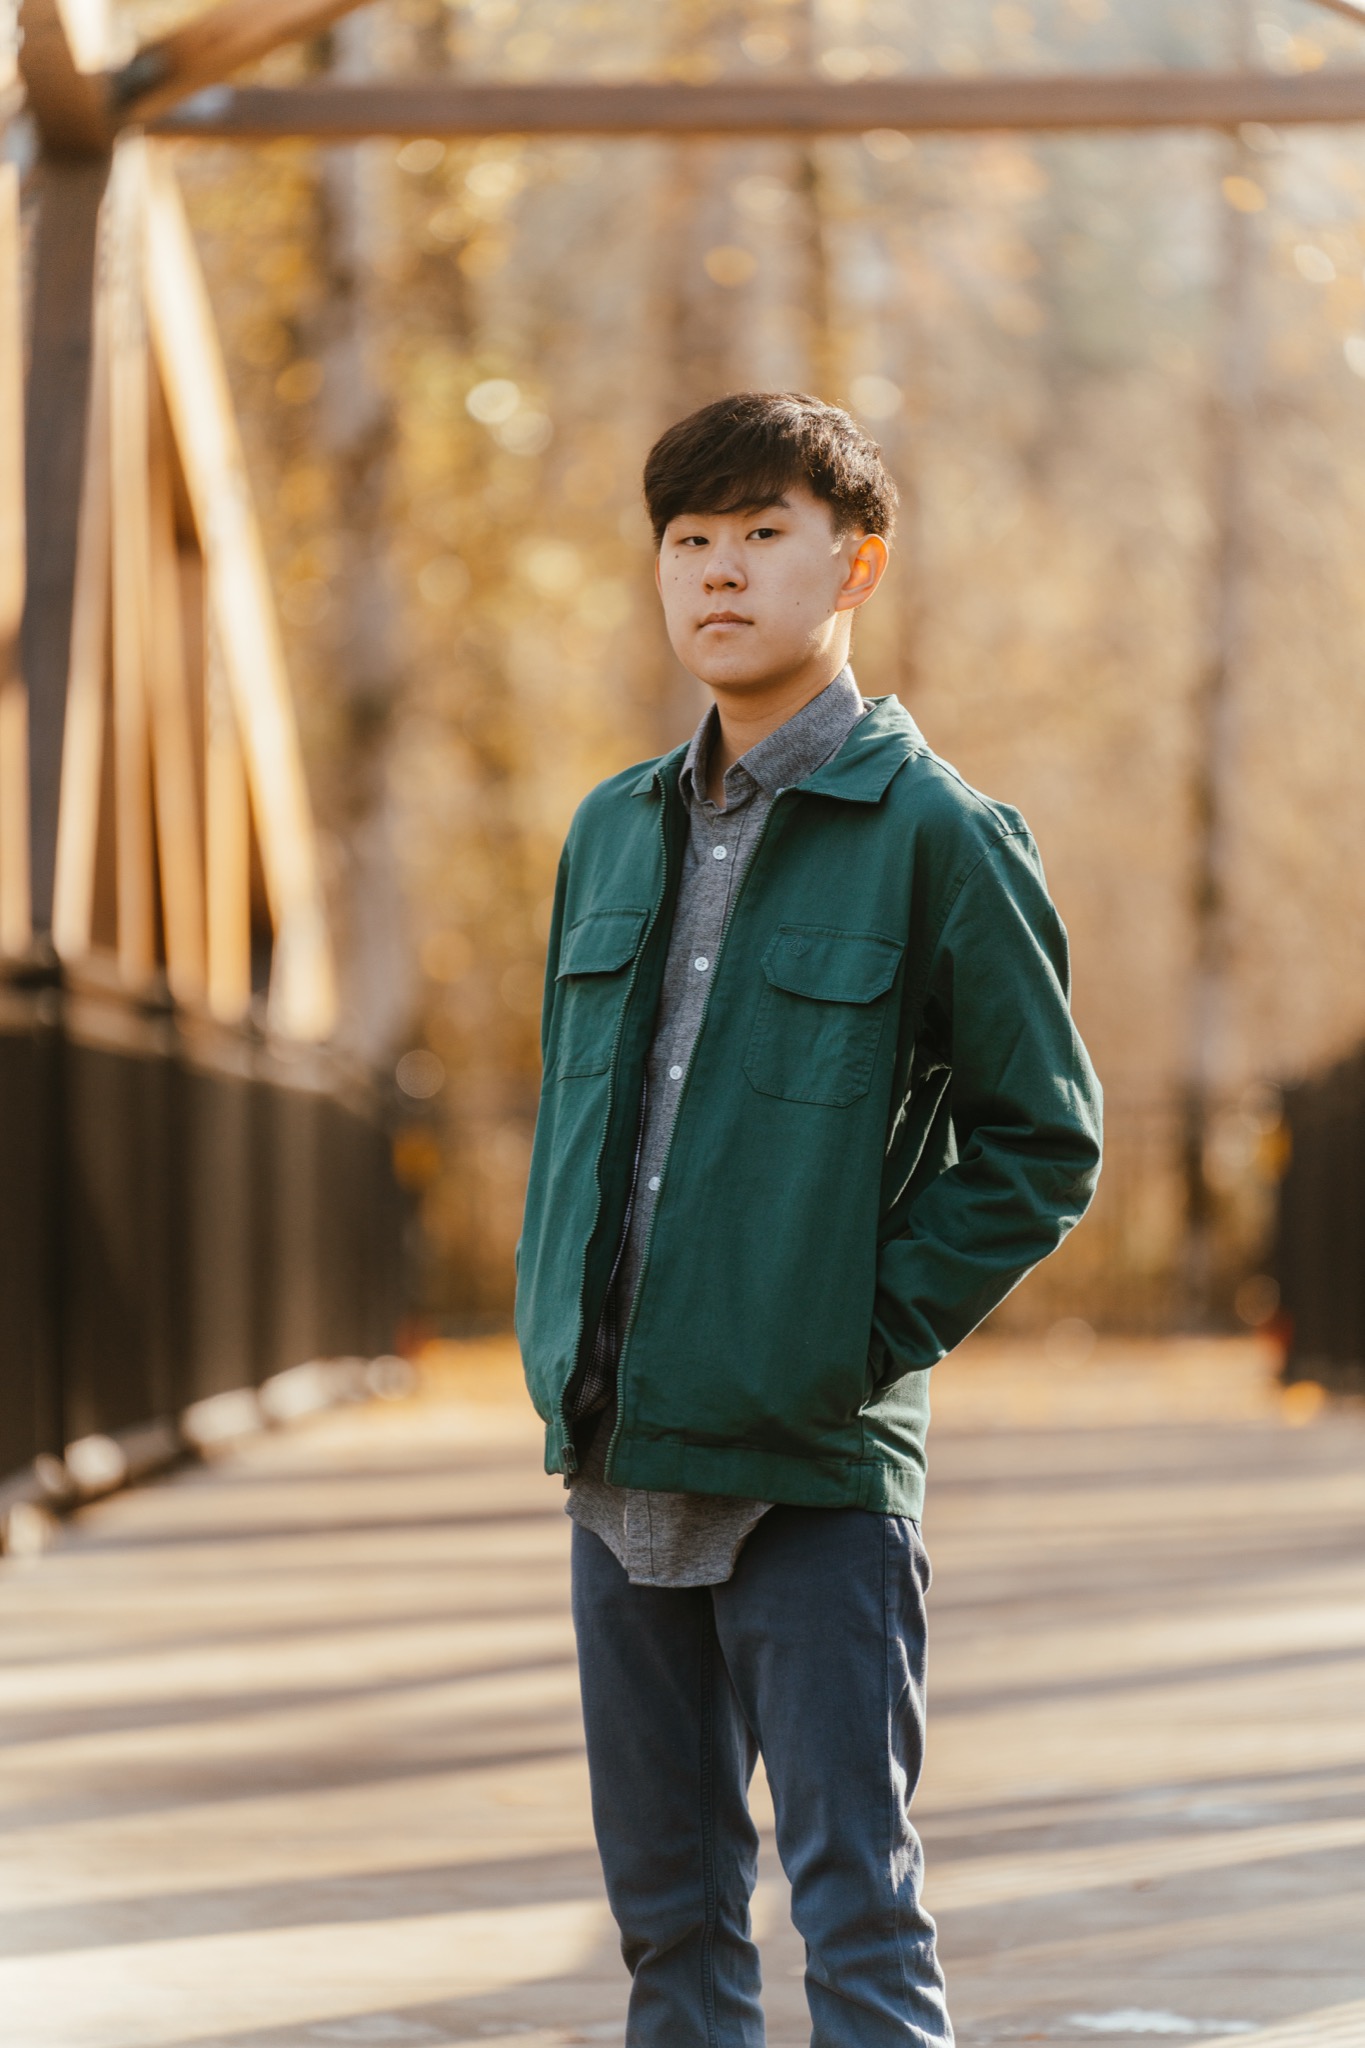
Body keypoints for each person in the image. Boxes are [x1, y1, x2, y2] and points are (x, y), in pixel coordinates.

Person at [515, 390, 1102, 2048]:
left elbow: (1040, 1143)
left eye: (762, 534)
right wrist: (552, 1326)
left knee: (854, 1910)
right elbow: (574, 1123)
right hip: (617, 1453)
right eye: (687, 541)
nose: (717, 574)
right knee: (669, 1930)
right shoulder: (606, 832)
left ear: (854, 567)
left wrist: (845, 1336)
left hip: (815, 1475)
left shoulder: (935, 835)